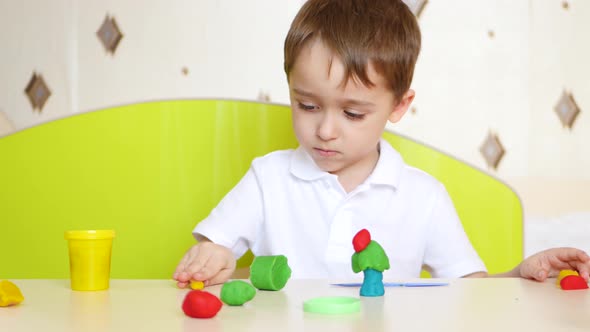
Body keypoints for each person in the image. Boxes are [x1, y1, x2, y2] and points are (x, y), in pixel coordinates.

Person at [173, 0, 590, 288]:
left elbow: (471, 294)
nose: (326, 130)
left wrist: (519, 276)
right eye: (307, 104)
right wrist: (214, 258)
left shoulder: (423, 197)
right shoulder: (268, 179)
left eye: (353, 113)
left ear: (399, 105)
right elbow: (217, 244)